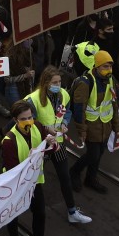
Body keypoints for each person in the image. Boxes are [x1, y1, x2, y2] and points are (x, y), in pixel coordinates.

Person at [24, 67, 93, 225]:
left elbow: (67, 111)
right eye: (55, 82)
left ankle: (72, 211)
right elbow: (29, 120)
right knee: (33, 178)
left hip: (57, 144)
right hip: (42, 146)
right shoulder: (33, 100)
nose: (58, 85)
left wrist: (64, 123)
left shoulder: (63, 94)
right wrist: (46, 129)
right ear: (46, 82)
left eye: (60, 81)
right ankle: (21, 204)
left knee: (65, 177)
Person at [2, 99, 58, 236]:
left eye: (30, 116)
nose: (29, 121)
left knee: (40, 213)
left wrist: (52, 145)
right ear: (15, 120)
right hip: (15, 185)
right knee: (13, 213)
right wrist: (30, 158)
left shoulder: (38, 127)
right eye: (24, 118)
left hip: (34, 182)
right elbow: (13, 170)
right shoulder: (9, 141)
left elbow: (47, 150)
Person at [69, 49, 119, 192]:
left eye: (110, 66)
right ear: (96, 66)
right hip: (91, 127)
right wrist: (82, 130)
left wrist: (116, 126)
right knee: (93, 154)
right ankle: (74, 171)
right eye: (105, 66)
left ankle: (91, 178)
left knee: (99, 155)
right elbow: (79, 108)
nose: (108, 69)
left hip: (105, 125)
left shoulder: (110, 79)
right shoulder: (86, 83)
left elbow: (113, 104)